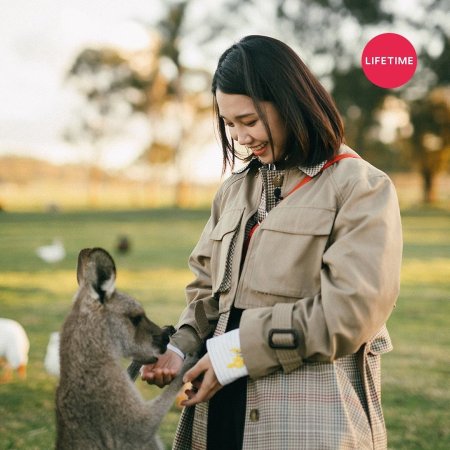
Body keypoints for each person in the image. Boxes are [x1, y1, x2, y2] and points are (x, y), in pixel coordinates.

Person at [141, 35, 402, 450]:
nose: (240, 137)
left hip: (308, 422)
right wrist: (179, 348)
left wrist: (236, 352)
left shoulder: (361, 187)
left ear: (291, 103)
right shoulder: (232, 192)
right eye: (229, 123)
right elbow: (208, 291)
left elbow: (351, 313)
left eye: (249, 121)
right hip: (218, 414)